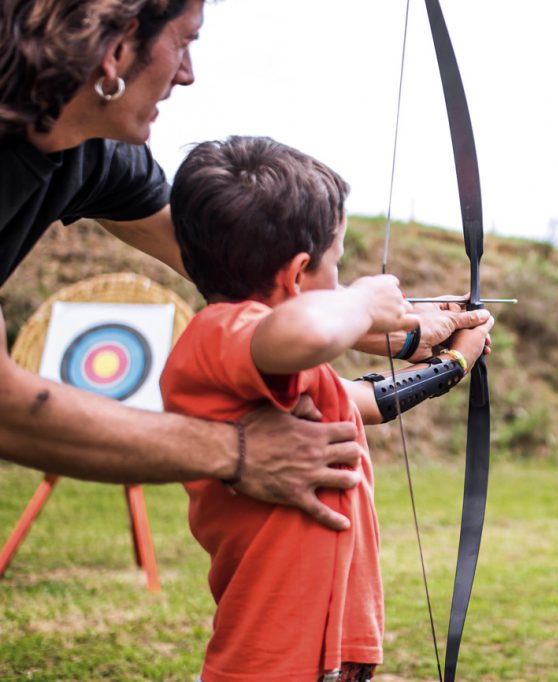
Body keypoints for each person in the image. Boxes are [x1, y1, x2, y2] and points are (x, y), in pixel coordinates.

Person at [0, 0, 489, 529]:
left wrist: (405, 332)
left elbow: (242, 264)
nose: (187, 74)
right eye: (184, 41)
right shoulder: (225, 338)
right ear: (117, 48)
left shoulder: (92, 151)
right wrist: (234, 450)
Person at [160, 135, 493, 681]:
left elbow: (366, 402)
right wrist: (363, 303)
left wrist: (451, 360)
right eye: (336, 265)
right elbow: (310, 329)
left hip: (332, 648)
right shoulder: (221, 333)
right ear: (297, 276)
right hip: (272, 659)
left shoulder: (272, 363)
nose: (342, 284)